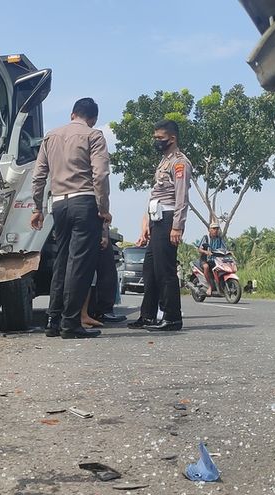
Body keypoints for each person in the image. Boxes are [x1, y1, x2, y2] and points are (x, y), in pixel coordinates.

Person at [30, 97, 111, 339]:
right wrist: (103, 208)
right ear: (93, 118)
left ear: (72, 114)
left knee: (62, 261)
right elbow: (100, 174)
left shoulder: (51, 136)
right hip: (84, 201)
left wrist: (37, 208)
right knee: (80, 264)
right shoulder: (94, 135)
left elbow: (38, 176)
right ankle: (71, 323)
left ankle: (53, 321)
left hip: (59, 204)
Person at [128, 119, 192, 332]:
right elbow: (154, 195)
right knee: (150, 270)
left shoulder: (180, 162)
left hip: (168, 218)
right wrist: (145, 221)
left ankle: (172, 317)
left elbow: (181, 197)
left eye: (159, 138)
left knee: (165, 270)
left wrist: (177, 226)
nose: (156, 141)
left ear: (172, 138)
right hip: (156, 218)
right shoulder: (164, 161)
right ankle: (147, 316)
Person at [198, 221, 227, 296]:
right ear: (209, 229)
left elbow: (224, 248)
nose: (216, 230)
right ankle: (210, 286)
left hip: (216, 260)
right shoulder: (206, 238)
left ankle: (221, 286)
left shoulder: (219, 239)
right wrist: (206, 252)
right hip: (205, 260)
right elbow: (199, 249)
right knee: (206, 267)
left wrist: (229, 252)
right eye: (214, 228)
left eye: (217, 229)